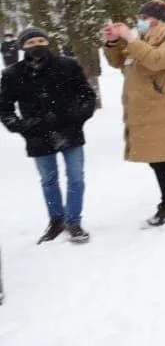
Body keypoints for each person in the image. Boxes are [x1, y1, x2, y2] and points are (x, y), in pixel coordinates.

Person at [102, 0, 165, 227]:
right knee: (159, 160)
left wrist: (132, 39)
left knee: (163, 160)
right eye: (140, 17)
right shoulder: (145, 39)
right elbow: (120, 62)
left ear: (159, 19)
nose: (141, 22)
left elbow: (156, 60)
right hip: (150, 110)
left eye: (146, 18)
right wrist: (114, 41)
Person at [0, 28, 96, 243]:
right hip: (37, 136)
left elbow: (87, 95)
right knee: (48, 180)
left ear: (48, 42)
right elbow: (4, 108)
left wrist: (77, 116)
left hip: (69, 131)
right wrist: (22, 127)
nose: (37, 44)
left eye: (41, 40)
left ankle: (74, 221)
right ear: (23, 46)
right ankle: (56, 220)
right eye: (31, 41)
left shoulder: (67, 65)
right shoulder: (13, 73)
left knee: (76, 178)